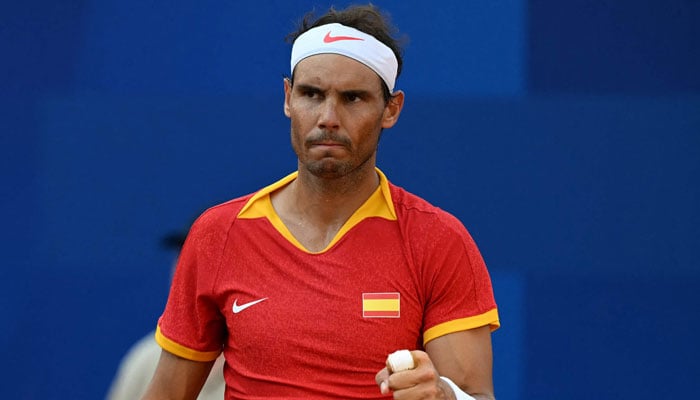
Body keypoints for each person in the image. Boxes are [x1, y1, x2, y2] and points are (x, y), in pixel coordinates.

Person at [142, 4, 499, 399]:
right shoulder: (218, 233)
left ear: (391, 109)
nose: (328, 117)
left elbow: (476, 393)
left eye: (353, 98)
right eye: (312, 93)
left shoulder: (438, 240)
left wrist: (444, 395)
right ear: (288, 98)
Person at [107, 229, 225, 400]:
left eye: (204, 260)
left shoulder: (263, 365)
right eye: (183, 259)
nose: (186, 272)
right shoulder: (146, 358)